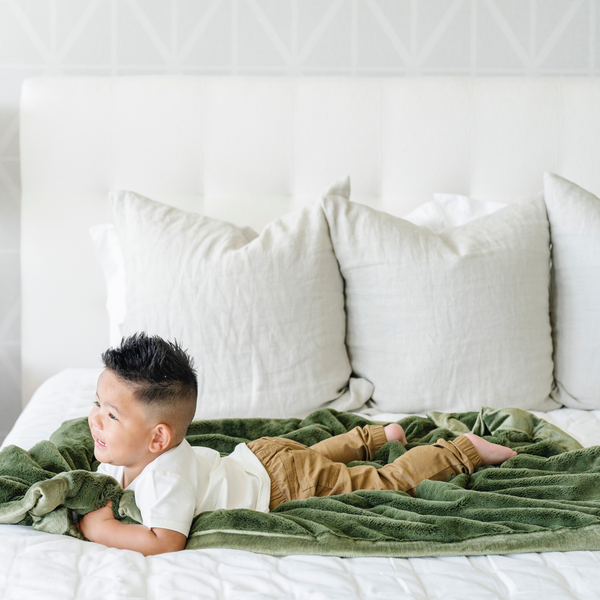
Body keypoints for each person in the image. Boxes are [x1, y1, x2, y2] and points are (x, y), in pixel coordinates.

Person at [80, 333, 517, 556]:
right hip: (259, 455)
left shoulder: (167, 477)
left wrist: (99, 528)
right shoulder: (122, 455)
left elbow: (165, 541)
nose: (94, 420)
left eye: (111, 415)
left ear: (159, 437)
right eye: (97, 405)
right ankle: (377, 435)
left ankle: (461, 450)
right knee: (318, 455)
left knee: (378, 482)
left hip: (285, 485)